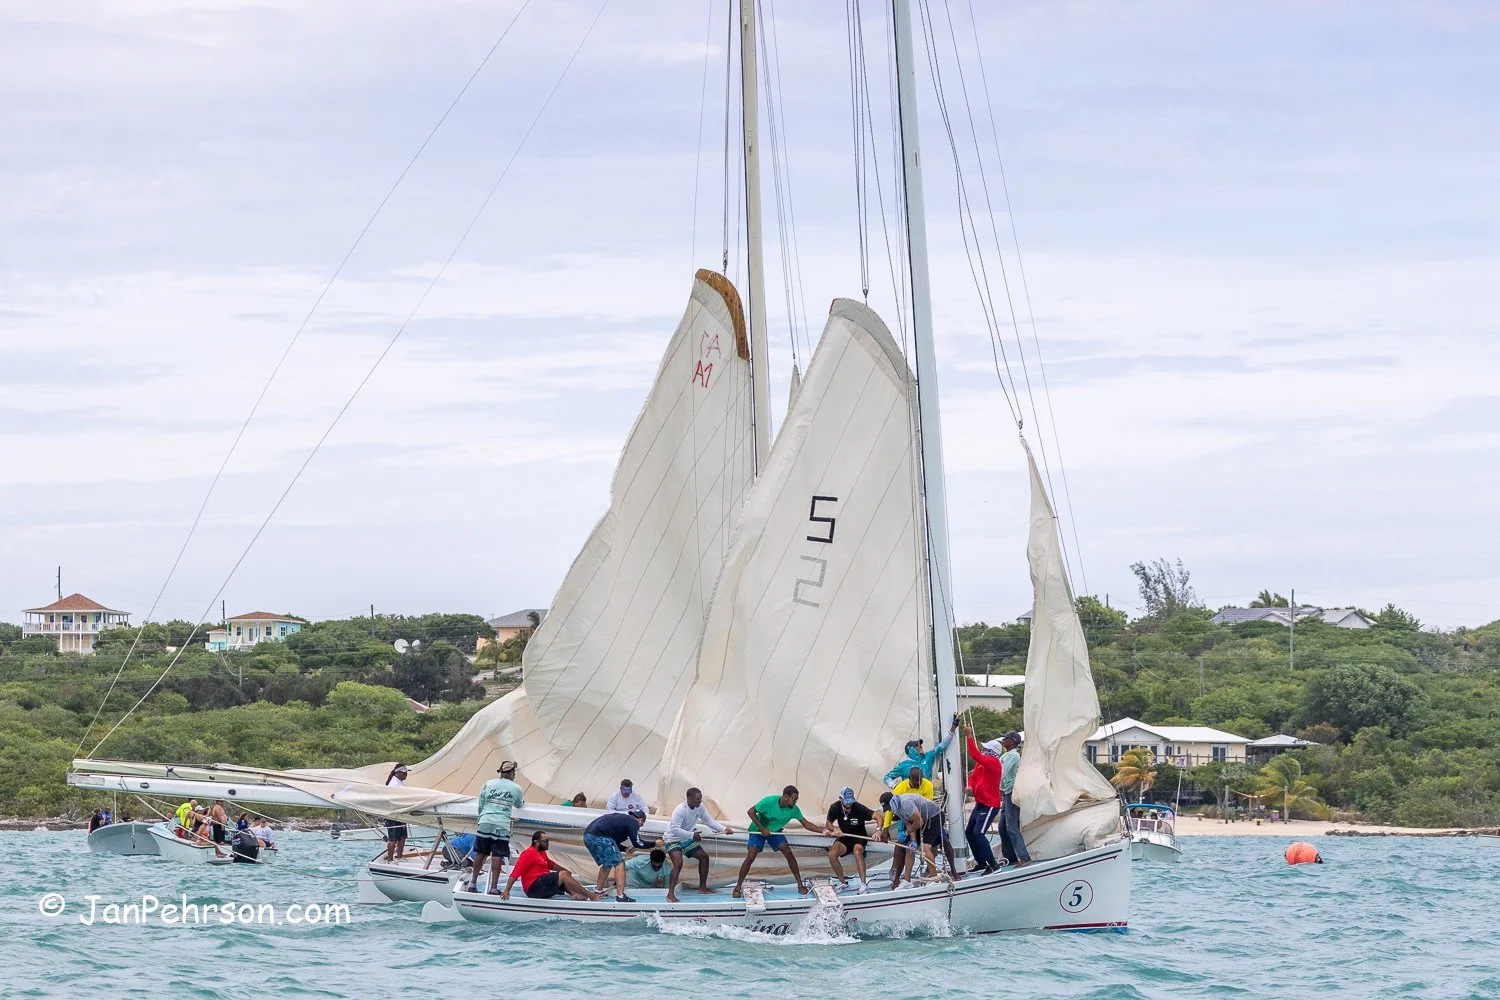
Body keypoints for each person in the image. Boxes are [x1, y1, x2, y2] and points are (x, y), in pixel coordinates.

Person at [733, 785, 831, 899]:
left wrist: (822, 830)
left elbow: (806, 824)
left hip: (775, 832)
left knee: (788, 851)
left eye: (797, 799)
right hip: (758, 830)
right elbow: (750, 812)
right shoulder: (769, 801)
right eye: (793, 798)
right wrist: (762, 828)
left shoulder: (794, 809)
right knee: (751, 855)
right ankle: (738, 887)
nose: (795, 801)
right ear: (785, 797)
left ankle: (799, 884)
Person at [664, 787, 735, 903]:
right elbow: (674, 829)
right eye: (696, 800)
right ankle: (670, 894)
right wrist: (692, 835)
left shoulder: (700, 806)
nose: (699, 802)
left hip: (686, 838)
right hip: (672, 839)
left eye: (700, 799)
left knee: (704, 857)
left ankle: (702, 888)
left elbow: (708, 821)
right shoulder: (680, 810)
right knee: (678, 863)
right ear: (689, 798)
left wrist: (724, 829)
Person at [880, 790, 959, 889]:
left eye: (888, 807)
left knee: (924, 848)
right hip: (921, 820)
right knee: (909, 847)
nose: (889, 809)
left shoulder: (906, 803)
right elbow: (909, 823)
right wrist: (913, 841)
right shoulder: (897, 809)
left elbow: (919, 822)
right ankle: (907, 881)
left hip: (934, 817)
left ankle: (935, 879)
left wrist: (905, 833)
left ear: (892, 802)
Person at [470, 760, 524, 894]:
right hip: (501, 824)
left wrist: (482, 817)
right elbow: (518, 804)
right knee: (497, 856)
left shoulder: (488, 783)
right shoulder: (516, 788)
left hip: (485, 820)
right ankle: (493, 888)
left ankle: (472, 883)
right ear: (511, 773)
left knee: (481, 854)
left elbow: (481, 804)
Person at [502, 830, 602, 901]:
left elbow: (552, 865)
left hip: (543, 884)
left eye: (548, 841)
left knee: (564, 875)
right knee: (563, 875)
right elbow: (515, 873)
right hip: (533, 888)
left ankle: (575, 894)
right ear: (536, 843)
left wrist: (568, 872)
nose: (548, 844)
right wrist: (507, 891)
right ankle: (591, 895)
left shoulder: (542, 853)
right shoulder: (528, 854)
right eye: (545, 842)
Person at [584, 808, 650, 902]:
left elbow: (613, 843)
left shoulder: (621, 820)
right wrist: (655, 844)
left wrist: (625, 848)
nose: (640, 826)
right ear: (641, 820)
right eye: (642, 823)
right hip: (600, 836)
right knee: (619, 863)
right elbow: (638, 843)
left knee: (607, 863)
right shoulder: (633, 822)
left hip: (588, 836)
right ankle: (620, 896)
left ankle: (598, 891)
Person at [963, 725, 1002, 875]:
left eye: (986, 749)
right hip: (981, 804)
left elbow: (975, 754)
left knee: (979, 833)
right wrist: (970, 785)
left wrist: (969, 737)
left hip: (990, 805)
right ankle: (981, 862)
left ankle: (993, 865)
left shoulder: (994, 763)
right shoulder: (982, 764)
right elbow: (973, 777)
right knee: (969, 833)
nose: (983, 751)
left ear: (992, 752)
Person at [882, 713, 959, 787]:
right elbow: (887, 778)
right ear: (911, 750)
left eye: (920, 744)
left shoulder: (928, 756)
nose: (920, 746)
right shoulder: (903, 765)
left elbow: (942, 746)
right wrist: (895, 785)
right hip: (910, 797)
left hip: (926, 795)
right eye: (916, 745)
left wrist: (953, 728)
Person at [826, 787, 876, 893]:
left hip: (859, 837)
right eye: (846, 801)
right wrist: (834, 829)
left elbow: (878, 816)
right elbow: (828, 823)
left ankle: (863, 884)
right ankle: (843, 882)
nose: (849, 804)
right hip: (844, 837)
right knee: (832, 854)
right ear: (840, 798)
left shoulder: (859, 808)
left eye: (851, 801)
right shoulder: (835, 807)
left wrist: (879, 830)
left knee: (857, 851)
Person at [994, 731, 1031, 867]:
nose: (1003, 739)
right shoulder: (1005, 755)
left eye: (1006, 738)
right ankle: (1011, 857)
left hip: (1012, 793)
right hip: (1006, 793)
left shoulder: (1014, 755)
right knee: (1002, 827)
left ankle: (1024, 857)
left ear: (1013, 742)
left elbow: (1001, 773)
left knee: (1011, 827)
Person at [383, 764, 410, 863]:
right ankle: (390, 860)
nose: (406, 774)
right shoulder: (394, 784)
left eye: (406, 772)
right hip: (393, 814)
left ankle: (399, 856)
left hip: (400, 813)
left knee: (402, 836)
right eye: (403, 773)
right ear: (398, 773)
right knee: (393, 838)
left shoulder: (399, 783)